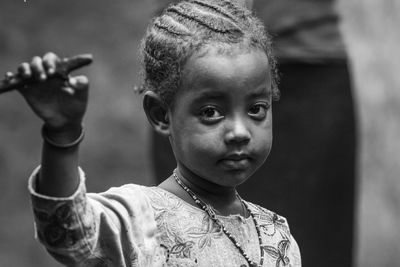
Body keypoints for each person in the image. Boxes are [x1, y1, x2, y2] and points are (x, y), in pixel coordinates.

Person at [7, 0, 301, 266]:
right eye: (211, 112)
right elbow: (68, 233)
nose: (240, 132)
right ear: (161, 115)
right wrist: (62, 135)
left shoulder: (276, 235)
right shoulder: (138, 216)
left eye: (256, 109)